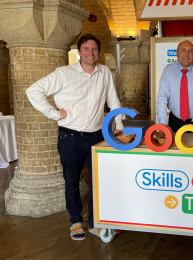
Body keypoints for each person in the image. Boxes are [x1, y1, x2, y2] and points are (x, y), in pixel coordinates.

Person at [26, 34, 123, 241]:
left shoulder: (104, 72)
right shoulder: (64, 73)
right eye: (86, 49)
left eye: (94, 49)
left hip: (97, 136)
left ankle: (95, 223)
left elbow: (114, 102)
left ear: (98, 52)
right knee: (71, 180)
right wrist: (54, 113)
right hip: (70, 137)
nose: (91, 52)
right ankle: (75, 222)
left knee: (99, 181)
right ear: (79, 52)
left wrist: (120, 125)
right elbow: (34, 90)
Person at [157, 40, 193, 133]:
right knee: (173, 147)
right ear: (177, 53)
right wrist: (163, 126)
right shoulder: (168, 71)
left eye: (190, 51)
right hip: (174, 122)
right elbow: (162, 98)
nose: (187, 54)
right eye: (183, 50)